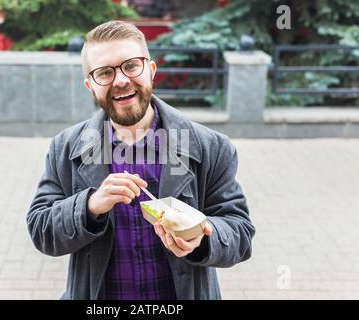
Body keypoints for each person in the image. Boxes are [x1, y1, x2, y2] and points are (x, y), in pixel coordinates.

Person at [26, 20, 255, 300]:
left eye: (131, 65)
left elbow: (240, 232)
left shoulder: (211, 146)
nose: (121, 80)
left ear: (151, 70)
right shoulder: (65, 147)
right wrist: (89, 206)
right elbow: (41, 230)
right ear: (90, 85)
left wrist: (202, 238)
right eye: (105, 72)